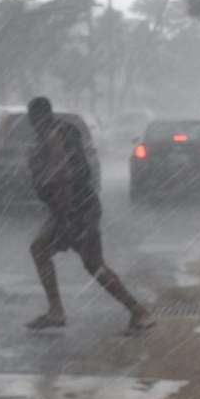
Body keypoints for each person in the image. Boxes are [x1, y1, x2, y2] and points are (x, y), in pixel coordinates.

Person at [23, 95, 153, 332]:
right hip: (79, 206)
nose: (33, 126)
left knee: (92, 264)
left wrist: (64, 216)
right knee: (48, 251)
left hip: (74, 210)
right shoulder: (65, 131)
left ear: (37, 118)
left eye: (32, 120)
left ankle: (138, 311)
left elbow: (63, 175)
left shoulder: (51, 137)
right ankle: (58, 310)